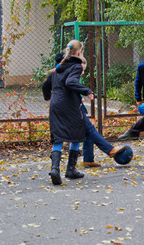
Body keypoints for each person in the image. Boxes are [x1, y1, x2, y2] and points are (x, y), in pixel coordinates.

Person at [42, 40, 94, 185]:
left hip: (55, 105)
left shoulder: (58, 66)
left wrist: (48, 97)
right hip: (69, 105)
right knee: (76, 134)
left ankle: (55, 169)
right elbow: (70, 82)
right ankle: (70, 170)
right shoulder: (76, 66)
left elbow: (46, 85)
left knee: (58, 137)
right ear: (80, 52)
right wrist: (87, 91)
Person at [79, 57, 126, 167]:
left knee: (88, 131)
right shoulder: (69, 76)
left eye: (84, 70)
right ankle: (109, 149)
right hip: (71, 109)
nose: (82, 73)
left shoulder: (71, 76)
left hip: (76, 107)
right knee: (89, 129)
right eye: (81, 70)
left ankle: (88, 159)